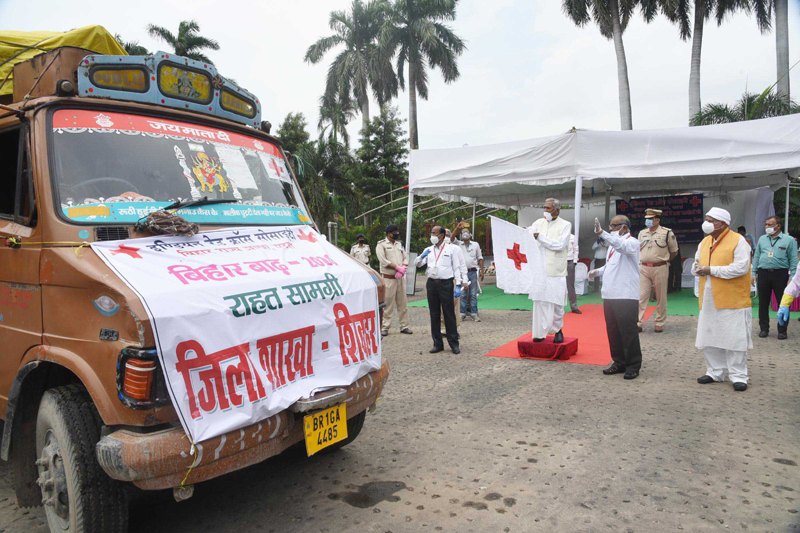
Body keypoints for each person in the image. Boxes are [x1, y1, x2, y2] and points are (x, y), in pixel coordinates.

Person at [694, 207, 752, 392]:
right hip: (709, 297)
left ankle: (738, 375)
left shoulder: (739, 241)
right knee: (710, 335)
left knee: (735, 338)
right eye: (707, 219)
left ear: (723, 223)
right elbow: (697, 263)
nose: (707, 223)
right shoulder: (704, 242)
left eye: (711, 220)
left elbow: (741, 268)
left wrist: (711, 270)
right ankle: (715, 372)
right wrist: (697, 269)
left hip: (732, 298)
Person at [588, 216, 642, 380]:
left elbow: (622, 247)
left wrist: (602, 233)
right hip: (611, 294)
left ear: (624, 227)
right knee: (613, 331)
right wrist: (598, 271)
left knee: (628, 331)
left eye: (614, 226)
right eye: (610, 226)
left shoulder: (632, 243)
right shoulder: (613, 245)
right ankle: (619, 361)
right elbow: (611, 264)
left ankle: (633, 365)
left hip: (625, 295)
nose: (611, 228)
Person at [415, 225, 468, 354]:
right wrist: (421, 256)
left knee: (449, 313)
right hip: (432, 283)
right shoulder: (429, 249)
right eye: (431, 233)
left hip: (446, 283)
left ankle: (454, 343)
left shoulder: (451, 249)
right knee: (434, 314)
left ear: (442, 235)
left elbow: (457, 267)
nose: (432, 235)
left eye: (434, 233)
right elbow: (418, 264)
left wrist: (459, 284)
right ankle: (437, 344)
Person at [528, 198, 571, 343]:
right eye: (544, 208)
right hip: (539, 269)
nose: (545, 211)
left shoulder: (565, 225)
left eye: (548, 208)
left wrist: (539, 237)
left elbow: (559, 245)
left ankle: (558, 330)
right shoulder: (538, 223)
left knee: (557, 301)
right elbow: (529, 234)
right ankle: (539, 333)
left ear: (557, 210)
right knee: (539, 300)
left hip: (555, 269)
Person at [752, 216, 798, 340]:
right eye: (766, 224)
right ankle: (764, 329)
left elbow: (794, 260)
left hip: (780, 274)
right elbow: (756, 257)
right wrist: (753, 273)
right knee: (763, 303)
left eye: (770, 224)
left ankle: (782, 330)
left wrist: (792, 277)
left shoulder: (789, 240)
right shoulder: (762, 239)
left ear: (778, 226)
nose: (767, 227)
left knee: (782, 303)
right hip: (763, 274)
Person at [637, 209, 679, 333]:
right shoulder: (642, 233)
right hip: (644, 267)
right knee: (641, 296)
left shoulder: (667, 233)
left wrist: (663, 261)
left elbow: (674, 251)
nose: (648, 221)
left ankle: (659, 322)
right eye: (647, 219)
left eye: (651, 219)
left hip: (660, 267)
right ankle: (638, 322)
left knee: (661, 296)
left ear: (657, 220)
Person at [376, 225, 412, 337]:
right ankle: (385, 327)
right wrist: (396, 268)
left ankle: (404, 326)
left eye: (397, 231)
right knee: (388, 304)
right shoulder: (381, 245)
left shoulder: (399, 244)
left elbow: (406, 257)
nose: (396, 233)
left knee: (403, 303)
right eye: (394, 232)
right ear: (389, 233)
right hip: (388, 278)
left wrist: (404, 267)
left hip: (400, 278)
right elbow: (383, 260)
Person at [453, 228, 484, 321]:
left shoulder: (475, 245)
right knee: (463, 294)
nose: (465, 234)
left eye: (467, 232)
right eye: (463, 233)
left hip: (473, 272)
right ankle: (462, 313)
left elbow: (480, 258)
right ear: (461, 235)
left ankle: (474, 313)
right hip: (462, 273)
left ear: (470, 235)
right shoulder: (458, 244)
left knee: (474, 294)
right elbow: (451, 238)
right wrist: (457, 228)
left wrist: (482, 271)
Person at [566, 234, 581, 314]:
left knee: (570, 285)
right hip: (559, 261)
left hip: (570, 261)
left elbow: (576, 249)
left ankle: (574, 307)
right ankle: (557, 307)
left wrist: (575, 261)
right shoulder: (556, 235)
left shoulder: (572, 237)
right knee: (557, 284)